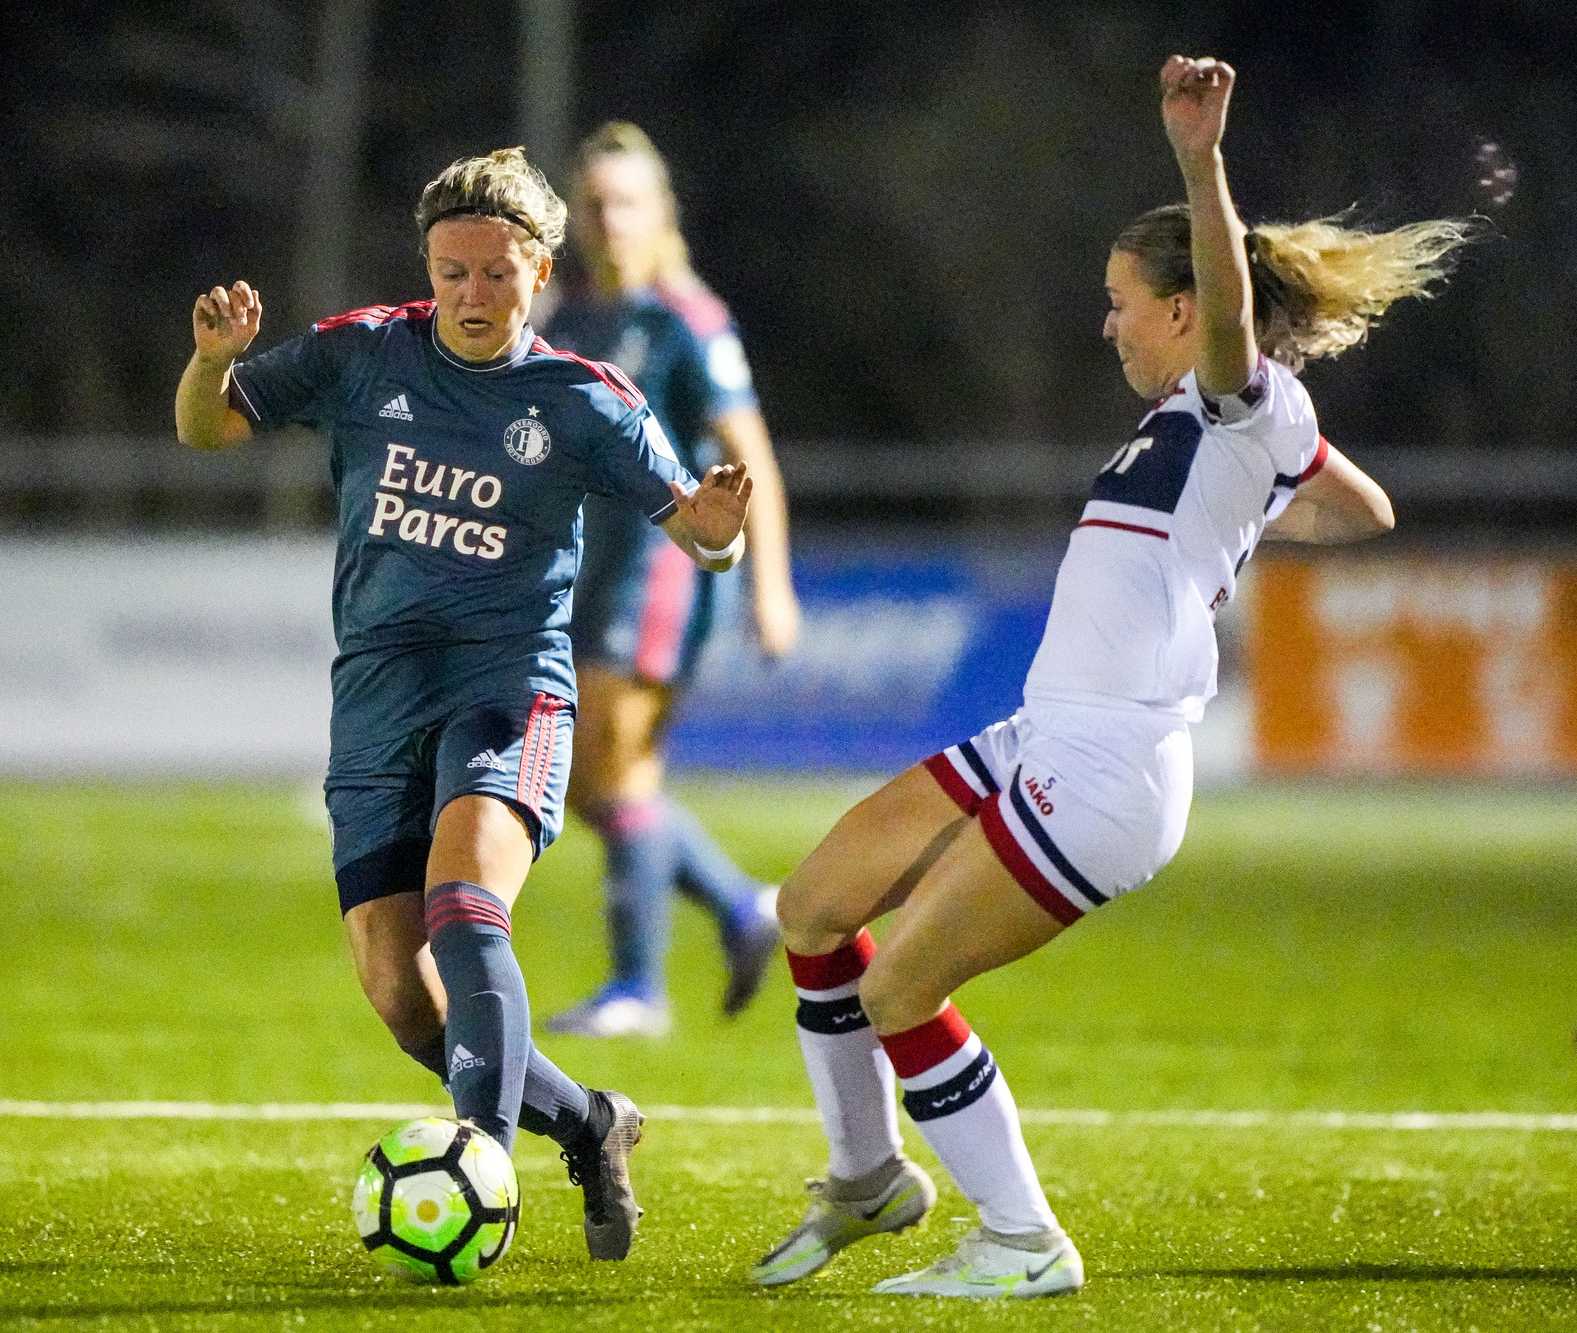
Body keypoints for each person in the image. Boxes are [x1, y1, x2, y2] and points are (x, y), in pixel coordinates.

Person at [748, 57, 1478, 1298]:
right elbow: (1361, 511)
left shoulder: (1232, 393)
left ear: (1188, 309)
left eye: (1120, 300)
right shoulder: (1223, 427)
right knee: (812, 907)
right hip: (1041, 733)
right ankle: (868, 1179)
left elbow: (1252, 358)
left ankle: (1024, 1241)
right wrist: (1245, 518)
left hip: (1108, 767)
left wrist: (1200, 164)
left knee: (899, 982)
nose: (1107, 321)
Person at [172, 147, 751, 1261]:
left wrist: (718, 536)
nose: (472, 297)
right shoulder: (359, 355)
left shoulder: (582, 400)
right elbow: (209, 426)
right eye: (452, 273)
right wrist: (210, 364)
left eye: (496, 274)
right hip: (378, 698)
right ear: (427, 270)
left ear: (538, 272)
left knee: (464, 903)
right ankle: (588, 1122)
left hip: (509, 690)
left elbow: (694, 527)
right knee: (401, 996)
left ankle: (479, 1161)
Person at [540, 122, 800, 1039]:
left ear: (661, 213)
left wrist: (773, 586)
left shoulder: (689, 319)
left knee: (618, 770)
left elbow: (748, 454)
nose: (610, 219)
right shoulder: (568, 316)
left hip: (664, 574)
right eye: (596, 202)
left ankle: (637, 992)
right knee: (581, 782)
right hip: (589, 574)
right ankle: (739, 908)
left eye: (628, 202)